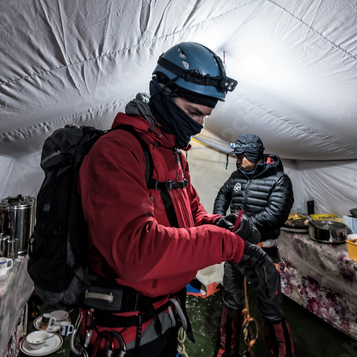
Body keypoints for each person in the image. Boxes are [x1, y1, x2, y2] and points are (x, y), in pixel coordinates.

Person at [78, 42, 276, 357]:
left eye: (205, 115)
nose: (198, 125)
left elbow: (193, 218)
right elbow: (136, 251)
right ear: (162, 93)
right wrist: (228, 246)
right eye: (192, 112)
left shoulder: (174, 156)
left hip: (168, 314)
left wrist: (227, 226)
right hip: (124, 332)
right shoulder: (116, 152)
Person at [213, 134, 295, 357]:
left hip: (264, 252)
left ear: (254, 156)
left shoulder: (280, 180)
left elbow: (276, 214)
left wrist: (242, 226)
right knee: (231, 302)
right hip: (235, 250)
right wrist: (219, 217)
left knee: (271, 309)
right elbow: (223, 194)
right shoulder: (236, 176)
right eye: (237, 157)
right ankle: (225, 351)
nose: (238, 161)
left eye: (242, 157)